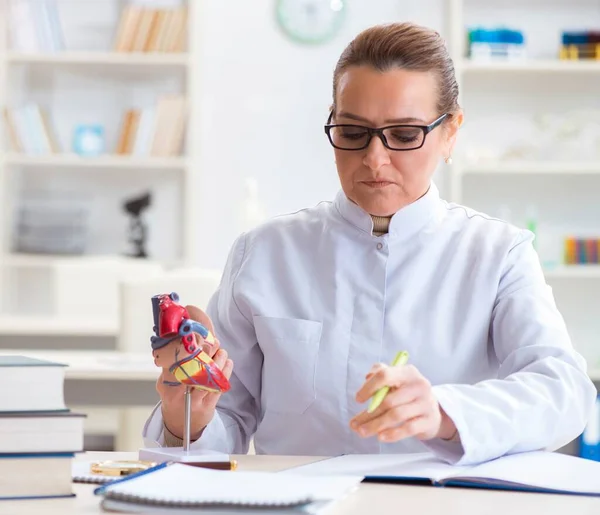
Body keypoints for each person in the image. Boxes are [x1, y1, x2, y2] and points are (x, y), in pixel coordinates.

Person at [143, 22, 596, 465]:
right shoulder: (265, 253)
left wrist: (444, 412)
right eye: (353, 133)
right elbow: (226, 415)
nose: (375, 159)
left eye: (404, 135)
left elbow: (564, 390)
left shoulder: (498, 254)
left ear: (451, 131)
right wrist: (190, 420)